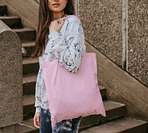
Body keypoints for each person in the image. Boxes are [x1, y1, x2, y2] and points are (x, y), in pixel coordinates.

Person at [31, 0, 86, 132]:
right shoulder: (47, 27)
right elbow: (43, 70)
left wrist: (55, 34)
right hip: (47, 105)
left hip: (65, 104)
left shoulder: (72, 23)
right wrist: (39, 107)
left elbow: (73, 63)